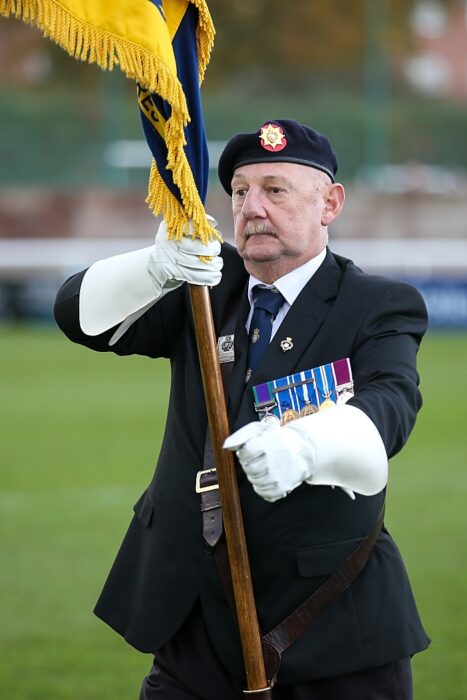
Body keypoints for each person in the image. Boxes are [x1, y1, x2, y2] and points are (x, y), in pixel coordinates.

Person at [54, 119, 430, 699]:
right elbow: (81, 320)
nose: (252, 206)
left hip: (328, 633)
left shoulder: (375, 305)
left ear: (329, 203)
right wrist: (153, 269)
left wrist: (307, 447)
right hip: (193, 625)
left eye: (274, 189)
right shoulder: (208, 286)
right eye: (239, 191)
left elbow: (390, 406)